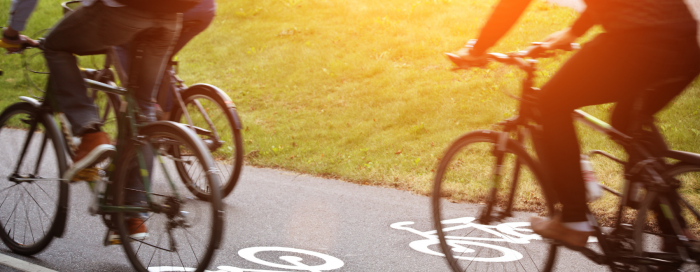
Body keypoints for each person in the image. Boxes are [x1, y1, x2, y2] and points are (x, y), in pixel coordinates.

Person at [452, 0, 700, 248]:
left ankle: (573, 219)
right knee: (627, 121)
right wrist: (573, 32)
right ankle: (676, 233)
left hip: (637, 42)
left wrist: (477, 49)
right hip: (686, 48)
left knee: (550, 103)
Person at [4, 0, 180, 240]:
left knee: (55, 45)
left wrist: (12, 32)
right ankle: (133, 214)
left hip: (120, 11)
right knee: (143, 108)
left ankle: (91, 133)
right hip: (170, 17)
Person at [113, 0, 216, 120]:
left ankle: (160, 116)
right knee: (161, 56)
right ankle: (165, 113)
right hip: (205, 8)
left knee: (121, 44)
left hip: (174, 9)